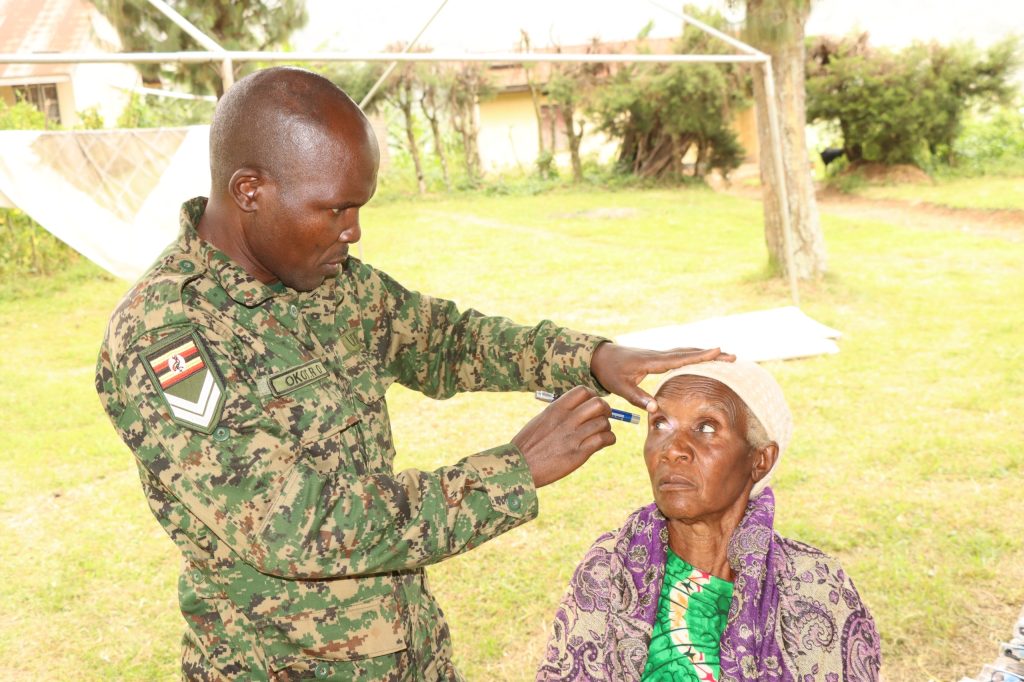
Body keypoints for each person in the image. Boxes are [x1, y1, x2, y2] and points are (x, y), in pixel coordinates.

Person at [94, 66, 730, 681]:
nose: (355, 231)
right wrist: (515, 469)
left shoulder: (328, 282)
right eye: (337, 208)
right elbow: (292, 526)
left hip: (407, 651)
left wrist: (587, 357)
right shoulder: (166, 335)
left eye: (360, 206)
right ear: (250, 191)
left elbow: (447, 341)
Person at [538, 360, 882, 681]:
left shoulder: (814, 587)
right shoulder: (610, 567)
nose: (672, 449)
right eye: (660, 424)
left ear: (760, 460)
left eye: (705, 427)